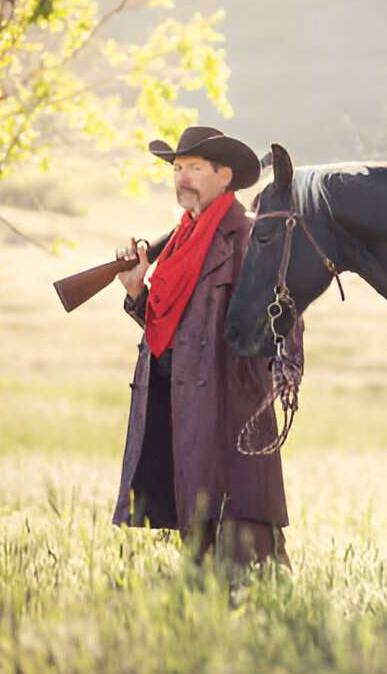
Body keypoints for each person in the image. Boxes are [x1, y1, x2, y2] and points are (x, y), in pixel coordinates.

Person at [112, 125, 297, 567]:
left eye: (194, 168)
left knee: (245, 536)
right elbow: (174, 328)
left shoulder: (251, 238)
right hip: (177, 402)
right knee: (196, 532)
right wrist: (138, 293)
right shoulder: (180, 241)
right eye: (177, 168)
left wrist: (277, 376)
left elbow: (286, 320)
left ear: (224, 177)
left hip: (229, 407)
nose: (182, 178)